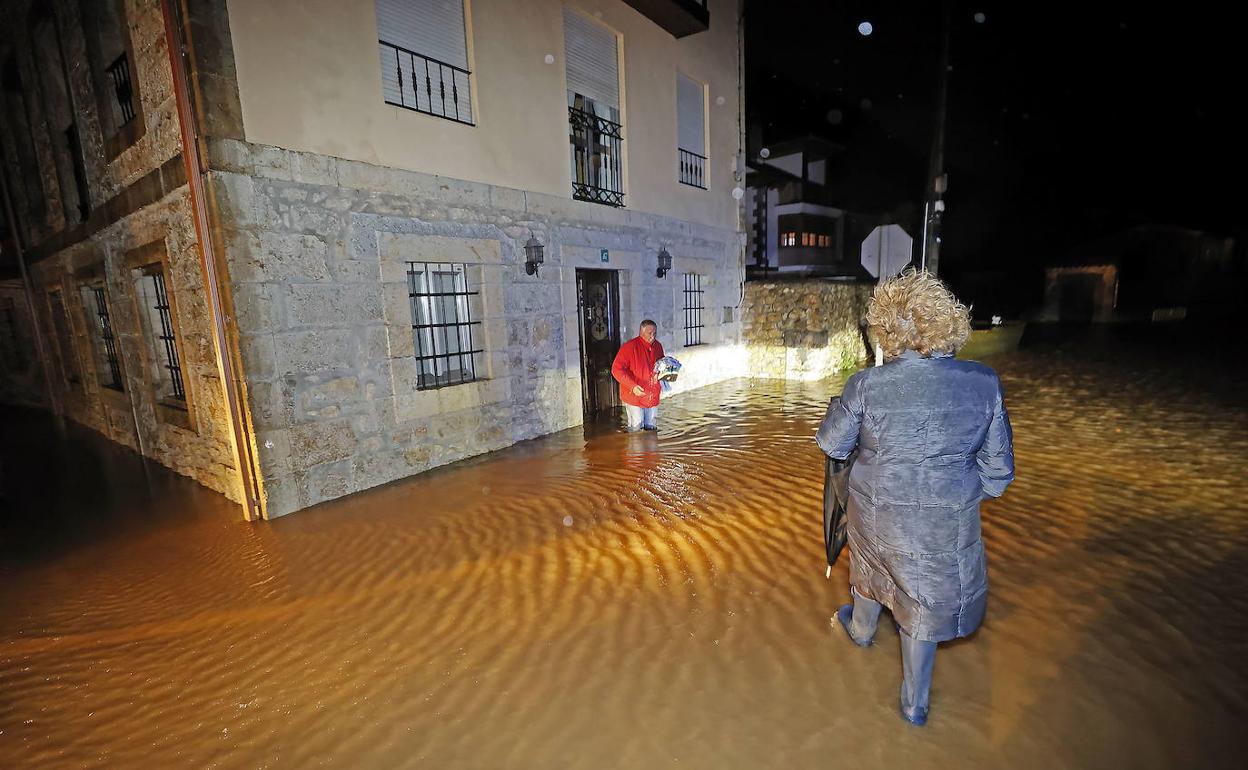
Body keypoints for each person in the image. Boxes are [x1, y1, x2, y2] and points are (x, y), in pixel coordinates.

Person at [815, 269, 1015, 726]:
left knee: (871, 569)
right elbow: (999, 475)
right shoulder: (983, 383)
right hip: (948, 523)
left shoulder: (866, 385)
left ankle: (862, 631)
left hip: (875, 512)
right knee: (922, 600)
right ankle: (914, 703)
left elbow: (833, 444)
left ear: (887, 330)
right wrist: (954, 496)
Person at [611, 320, 665, 432]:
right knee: (636, 428)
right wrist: (632, 386)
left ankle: (651, 449)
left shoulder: (658, 346)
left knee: (651, 428)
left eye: (654, 333)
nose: (652, 336)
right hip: (634, 395)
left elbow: (661, 364)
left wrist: (664, 372)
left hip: (652, 394)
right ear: (641, 332)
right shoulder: (629, 347)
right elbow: (616, 369)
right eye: (649, 333)